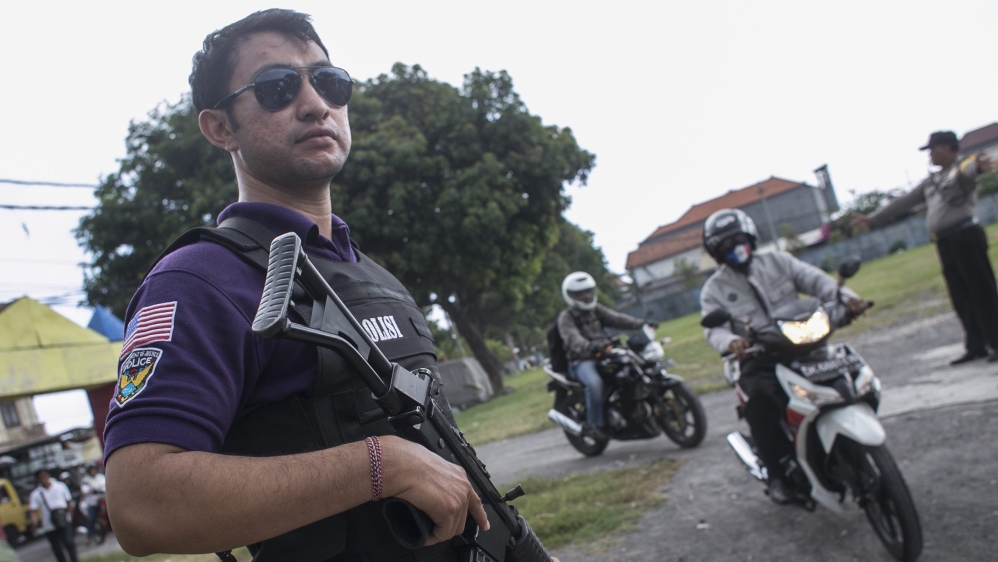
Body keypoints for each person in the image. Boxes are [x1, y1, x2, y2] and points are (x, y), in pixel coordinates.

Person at [102, 9, 532, 562]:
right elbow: (142, 506)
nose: (315, 103)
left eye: (329, 81)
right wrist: (381, 465)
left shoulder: (373, 274)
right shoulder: (200, 280)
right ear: (220, 127)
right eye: (277, 87)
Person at [699, 209, 867, 504]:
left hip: (805, 345)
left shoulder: (779, 261)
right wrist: (732, 341)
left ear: (751, 237)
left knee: (846, 374)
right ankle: (776, 474)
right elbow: (714, 331)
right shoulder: (714, 290)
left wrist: (849, 299)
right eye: (725, 244)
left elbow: (819, 282)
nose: (735, 248)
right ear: (715, 252)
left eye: (739, 239)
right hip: (760, 358)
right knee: (760, 404)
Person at [852, 131, 997, 365]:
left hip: (966, 237)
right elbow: (903, 202)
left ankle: (996, 342)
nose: (930, 154)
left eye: (934, 149)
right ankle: (976, 345)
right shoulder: (932, 181)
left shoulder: (960, 170)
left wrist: (979, 166)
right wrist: (872, 219)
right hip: (946, 241)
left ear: (950, 148)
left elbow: (971, 169)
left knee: (982, 291)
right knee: (960, 294)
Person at [557, 271, 651, 439]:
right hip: (582, 360)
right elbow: (572, 338)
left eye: (588, 291)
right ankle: (595, 425)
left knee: (634, 368)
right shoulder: (566, 317)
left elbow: (617, 318)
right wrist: (589, 347)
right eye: (581, 293)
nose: (586, 296)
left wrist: (640, 324)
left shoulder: (596, 310)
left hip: (605, 354)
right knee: (595, 384)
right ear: (571, 296)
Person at [28, 470, 78, 562]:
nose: (44, 479)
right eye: (41, 477)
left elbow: (69, 501)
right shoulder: (36, 494)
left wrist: (69, 516)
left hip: (64, 520)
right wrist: (34, 523)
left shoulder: (60, 486)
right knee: (57, 548)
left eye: (44, 476)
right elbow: (33, 511)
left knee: (69, 543)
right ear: (38, 480)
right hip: (49, 525)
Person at [80, 465, 105, 544]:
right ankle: (90, 534)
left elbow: (105, 485)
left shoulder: (101, 477)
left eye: (93, 470)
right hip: (93, 502)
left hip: (104, 499)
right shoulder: (85, 480)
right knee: (91, 518)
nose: (92, 472)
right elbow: (84, 490)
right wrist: (91, 489)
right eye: (90, 470)